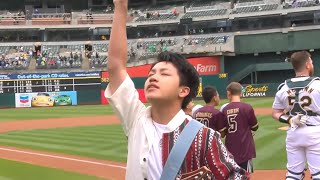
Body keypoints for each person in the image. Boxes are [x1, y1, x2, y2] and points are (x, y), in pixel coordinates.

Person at [105, 0, 249, 179]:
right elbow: (116, 67)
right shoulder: (136, 120)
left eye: (164, 74)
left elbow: (237, 176)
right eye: (151, 74)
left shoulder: (205, 136)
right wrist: (120, 8)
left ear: (183, 91)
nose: (153, 77)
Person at [272, 51, 320, 180]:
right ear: (308, 65)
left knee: (293, 174)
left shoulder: (283, 87)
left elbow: (276, 113)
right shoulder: (318, 84)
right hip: (315, 131)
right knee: (318, 174)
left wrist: (291, 119)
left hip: (294, 133)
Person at [220, 82, 259, 173]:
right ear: (241, 93)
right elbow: (255, 127)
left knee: (232, 175)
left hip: (230, 148)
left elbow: (223, 131)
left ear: (229, 93)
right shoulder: (247, 107)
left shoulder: (224, 109)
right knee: (245, 175)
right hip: (245, 148)